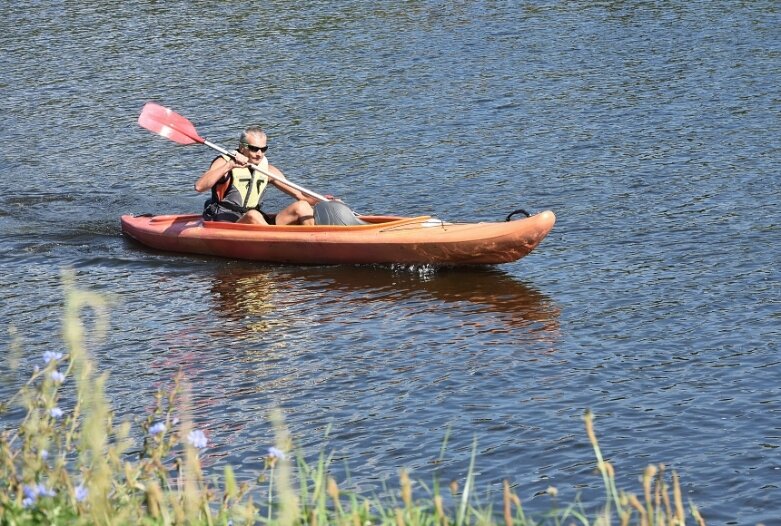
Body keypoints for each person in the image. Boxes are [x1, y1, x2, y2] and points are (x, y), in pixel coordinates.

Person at [195, 126, 315, 225]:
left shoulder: (268, 170)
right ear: (242, 148)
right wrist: (230, 165)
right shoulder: (224, 162)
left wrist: (323, 201)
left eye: (263, 149)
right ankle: (274, 242)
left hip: (256, 221)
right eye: (254, 149)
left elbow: (300, 195)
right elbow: (199, 187)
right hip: (227, 221)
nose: (259, 154)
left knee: (302, 207)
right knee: (253, 215)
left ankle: (313, 242)